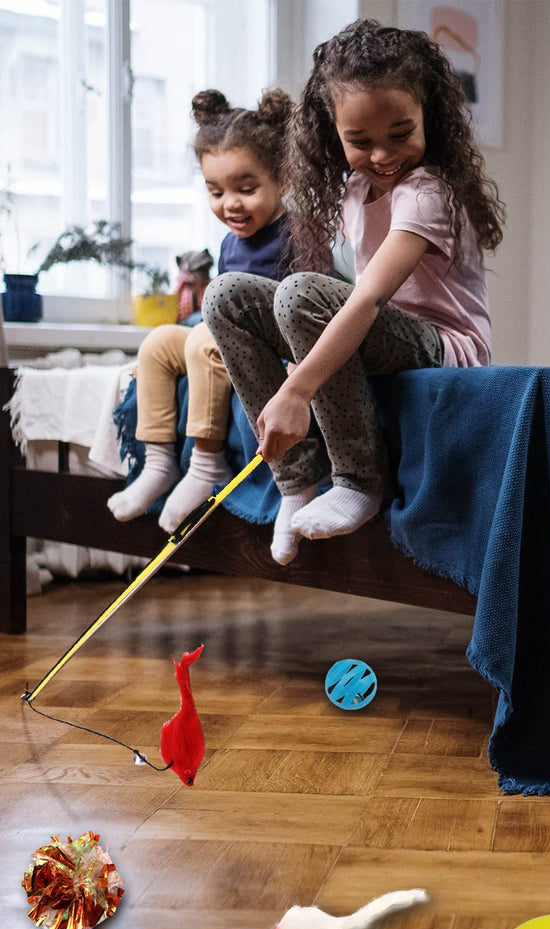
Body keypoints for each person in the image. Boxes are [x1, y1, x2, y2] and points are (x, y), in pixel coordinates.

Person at [202, 19, 504, 565]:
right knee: (227, 296)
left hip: (444, 346)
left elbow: (365, 299)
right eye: (360, 141)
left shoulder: (427, 192)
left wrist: (298, 390)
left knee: (301, 294)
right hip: (384, 336)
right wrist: (304, 351)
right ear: (332, 132)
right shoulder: (354, 189)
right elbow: (339, 296)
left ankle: (360, 480)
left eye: (400, 134)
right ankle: (296, 483)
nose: (383, 155)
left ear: (429, 118)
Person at [108, 87, 293, 532]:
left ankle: (207, 465)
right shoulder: (230, 243)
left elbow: (309, 309)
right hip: (223, 338)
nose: (230, 203)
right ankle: (158, 463)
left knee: (205, 342)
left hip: (265, 349)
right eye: (216, 191)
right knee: (158, 343)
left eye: (246, 189)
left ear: (283, 179)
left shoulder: (296, 236)